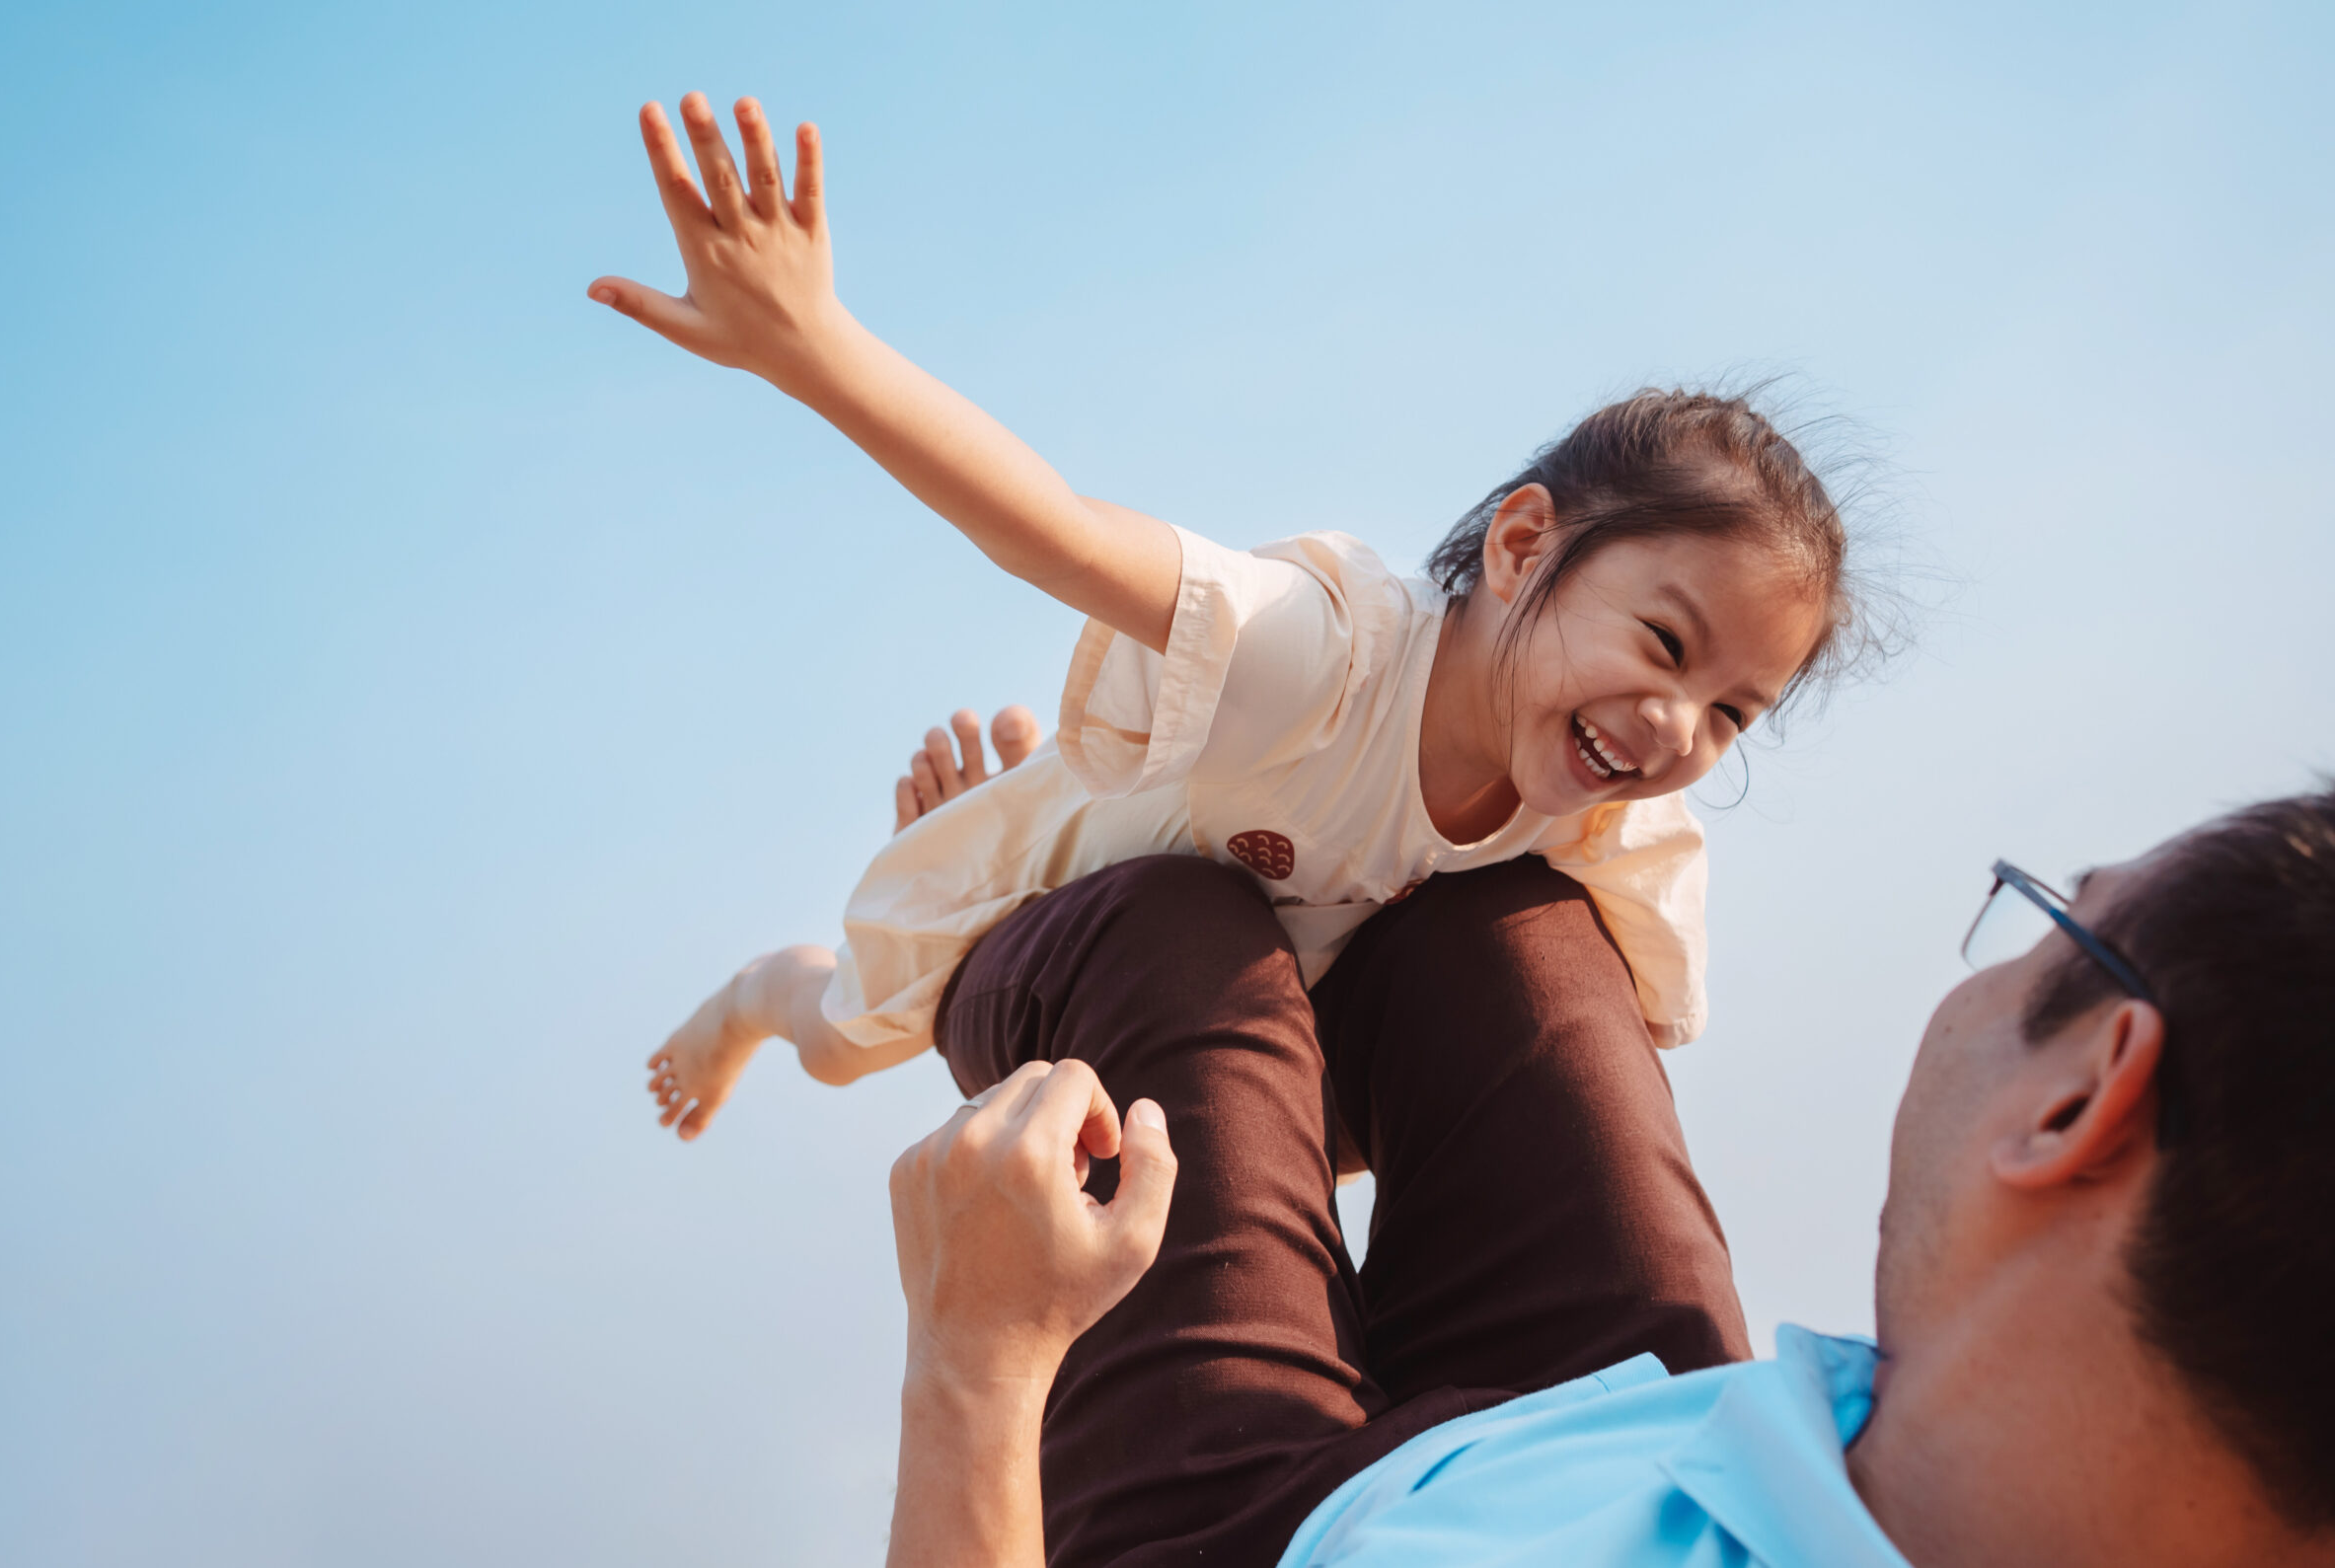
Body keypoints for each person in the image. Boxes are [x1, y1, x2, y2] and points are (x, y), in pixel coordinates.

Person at [590, 94, 1881, 1144]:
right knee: (843, 1042)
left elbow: (1604, 1048)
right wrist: (814, 345)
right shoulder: (1323, 656)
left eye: (1732, 710)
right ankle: (763, 985)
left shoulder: (1615, 817)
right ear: (1523, 543)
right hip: (1047, 906)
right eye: (1662, 644)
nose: (1678, 726)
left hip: (1254, 1018)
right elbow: (1056, 530)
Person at [880, 787, 2335, 1567]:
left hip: (1255, 1529)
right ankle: (1257, 1052)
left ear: (2081, 1095)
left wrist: (978, 1364)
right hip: (1681, 1421)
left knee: (1156, 923)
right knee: (1501, 919)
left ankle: (1008, 937)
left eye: (2049, 931)